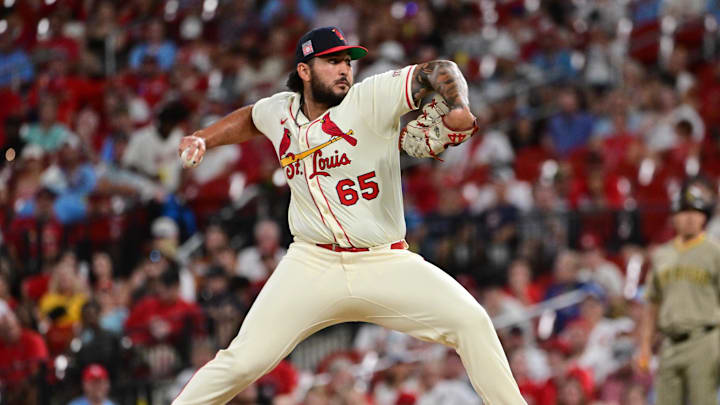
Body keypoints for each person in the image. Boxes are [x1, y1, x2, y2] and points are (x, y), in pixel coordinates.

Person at [173, 26, 525, 404]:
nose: (344, 69)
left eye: (347, 61)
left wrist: (458, 106)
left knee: (471, 321)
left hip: (383, 260)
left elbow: (439, 69)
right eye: (332, 62)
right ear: (304, 71)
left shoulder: (370, 98)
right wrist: (205, 138)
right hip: (311, 263)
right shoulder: (280, 110)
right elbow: (251, 118)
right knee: (242, 363)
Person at [636, 177, 720, 405]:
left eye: (696, 211)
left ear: (704, 216)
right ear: (674, 217)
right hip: (669, 343)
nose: (690, 217)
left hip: (704, 338)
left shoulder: (715, 252)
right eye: (683, 211)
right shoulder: (662, 255)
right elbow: (652, 305)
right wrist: (644, 346)